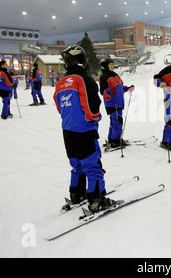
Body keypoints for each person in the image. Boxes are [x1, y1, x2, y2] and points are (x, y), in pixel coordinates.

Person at [54, 45, 117, 214]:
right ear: (82, 60)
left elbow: (59, 107)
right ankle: (97, 200)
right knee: (93, 166)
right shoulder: (84, 79)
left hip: (67, 130)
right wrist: (94, 119)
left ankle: (76, 194)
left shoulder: (60, 83)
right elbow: (93, 106)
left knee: (77, 165)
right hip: (84, 130)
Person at [99, 57, 134, 148]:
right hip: (112, 103)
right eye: (110, 64)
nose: (112, 66)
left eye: (112, 64)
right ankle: (115, 140)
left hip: (119, 102)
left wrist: (127, 88)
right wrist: (110, 91)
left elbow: (120, 87)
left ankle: (112, 138)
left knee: (114, 122)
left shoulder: (115, 75)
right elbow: (102, 91)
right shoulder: (104, 77)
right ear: (105, 66)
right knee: (118, 121)